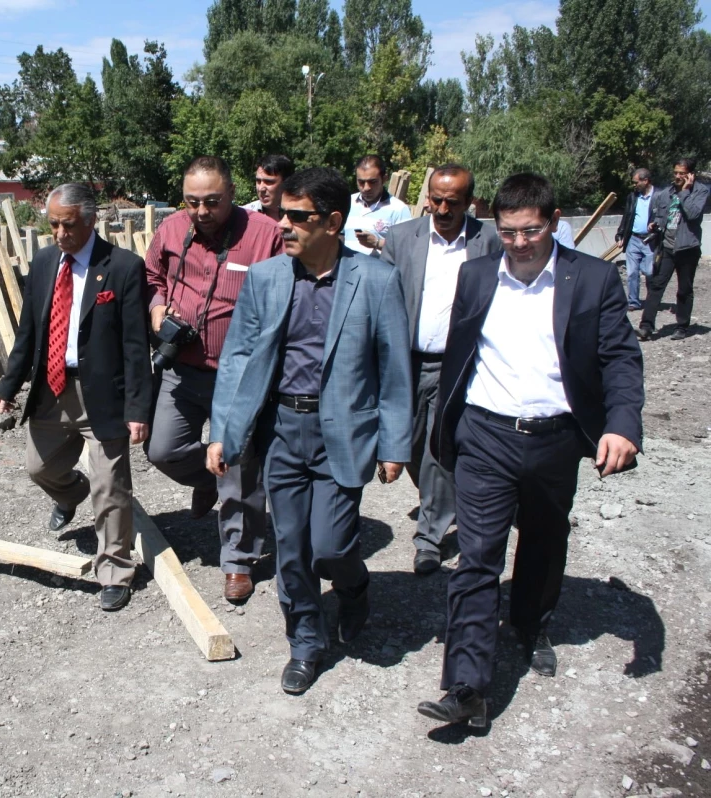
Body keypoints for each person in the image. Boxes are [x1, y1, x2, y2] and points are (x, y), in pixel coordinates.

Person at [418, 173, 643, 730]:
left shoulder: (591, 279)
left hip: (555, 437)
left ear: (555, 220)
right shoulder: (475, 276)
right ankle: (466, 685)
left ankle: (531, 621)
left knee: (544, 538)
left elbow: (619, 357)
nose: (519, 242)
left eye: (532, 231)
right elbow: (457, 359)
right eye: (509, 231)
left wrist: (622, 425)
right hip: (485, 436)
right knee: (476, 557)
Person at [207, 167, 413, 695]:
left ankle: (354, 585)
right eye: (284, 215)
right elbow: (237, 358)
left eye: (300, 217)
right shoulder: (267, 278)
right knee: (292, 548)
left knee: (332, 547)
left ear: (334, 222)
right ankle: (305, 640)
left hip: (342, 432)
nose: (285, 226)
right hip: (282, 430)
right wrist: (223, 433)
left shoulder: (375, 280)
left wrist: (395, 444)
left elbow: (393, 371)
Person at [0, 183, 152, 612]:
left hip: (103, 395)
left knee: (111, 486)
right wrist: (8, 385)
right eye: (54, 225)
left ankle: (116, 570)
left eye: (68, 224)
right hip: (52, 388)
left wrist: (138, 408)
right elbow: (29, 331)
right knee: (39, 467)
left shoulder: (122, 267)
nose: (60, 233)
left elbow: (136, 345)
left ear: (90, 219)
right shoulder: (44, 263)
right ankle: (68, 495)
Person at [145, 156, 285, 603]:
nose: (202, 212)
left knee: (239, 471)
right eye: (192, 202)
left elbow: (286, 292)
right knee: (162, 450)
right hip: (183, 367)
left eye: (212, 202)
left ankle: (238, 560)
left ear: (231, 193)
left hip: (239, 375)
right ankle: (206, 480)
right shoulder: (170, 230)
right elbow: (152, 276)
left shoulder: (265, 235)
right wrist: (157, 307)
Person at [379, 164, 502, 576]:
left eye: (453, 201)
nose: (442, 208)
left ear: (470, 202)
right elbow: (386, 299)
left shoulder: (489, 242)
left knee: (438, 450)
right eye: (436, 199)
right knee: (410, 445)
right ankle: (445, 503)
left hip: (458, 365)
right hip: (406, 362)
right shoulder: (401, 238)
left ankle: (429, 538)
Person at [637, 157, 711, 341]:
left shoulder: (700, 191)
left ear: (691, 175)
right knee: (656, 286)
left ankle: (682, 326)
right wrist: (655, 224)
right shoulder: (665, 193)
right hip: (667, 247)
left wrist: (685, 192)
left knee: (684, 289)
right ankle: (646, 327)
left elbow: (693, 214)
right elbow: (662, 216)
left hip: (688, 248)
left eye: (682, 173)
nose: (677, 176)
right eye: (676, 172)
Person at [344, 155, 411, 256]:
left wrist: (377, 243)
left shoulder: (399, 209)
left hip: (379, 270)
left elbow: (406, 247)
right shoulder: (348, 202)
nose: (366, 188)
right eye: (361, 182)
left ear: (384, 179)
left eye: (372, 182)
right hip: (346, 269)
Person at [615, 168, 657, 310]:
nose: (634, 185)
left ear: (645, 181)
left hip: (650, 240)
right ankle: (633, 302)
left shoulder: (659, 196)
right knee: (632, 272)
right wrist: (620, 234)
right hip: (633, 238)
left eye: (636, 182)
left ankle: (652, 300)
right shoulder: (633, 197)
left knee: (650, 272)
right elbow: (627, 216)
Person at [243, 154, 295, 223]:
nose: (261, 188)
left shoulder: (301, 215)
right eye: (258, 181)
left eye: (268, 182)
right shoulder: (244, 215)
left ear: (286, 183)